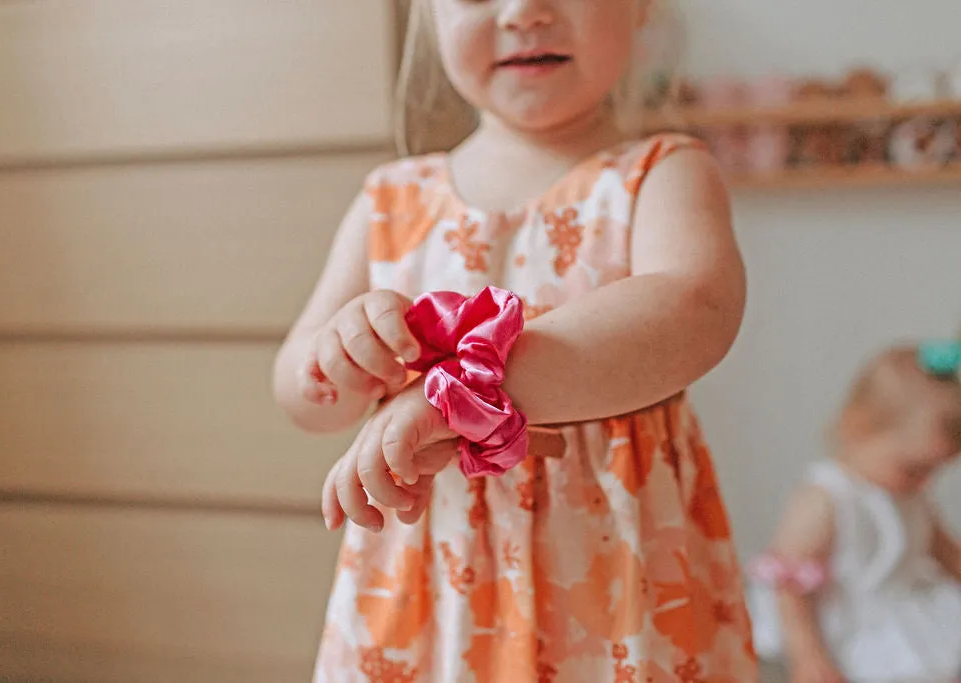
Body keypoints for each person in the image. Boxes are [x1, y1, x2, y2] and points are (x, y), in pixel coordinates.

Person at [273, 0, 757, 679]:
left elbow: (695, 309)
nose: (525, 9)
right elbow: (302, 390)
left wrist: (461, 397)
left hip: (614, 583)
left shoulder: (661, 174)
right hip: (430, 587)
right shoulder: (390, 201)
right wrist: (341, 354)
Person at [748, 341, 961, 683]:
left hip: (911, 616)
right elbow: (789, 587)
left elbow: (946, 551)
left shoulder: (910, 494)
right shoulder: (826, 499)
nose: (924, 481)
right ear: (858, 427)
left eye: (934, 470)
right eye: (913, 468)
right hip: (856, 633)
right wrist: (807, 655)